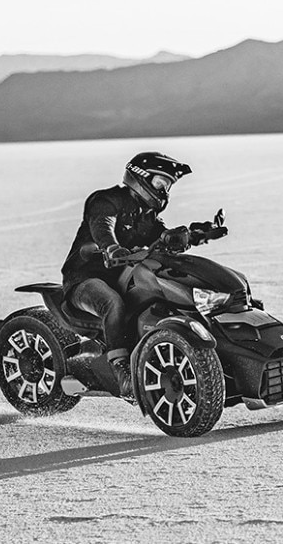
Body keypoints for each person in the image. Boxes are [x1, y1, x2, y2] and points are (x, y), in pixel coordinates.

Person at [60, 152, 193, 400]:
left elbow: (162, 238)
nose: (164, 190)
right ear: (140, 177)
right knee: (112, 302)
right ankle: (121, 370)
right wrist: (110, 247)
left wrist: (193, 234)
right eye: (160, 183)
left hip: (123, 277)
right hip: (85, 279)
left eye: (167, 185)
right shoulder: (106, 200)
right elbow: (103, 226)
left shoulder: (147, 215)